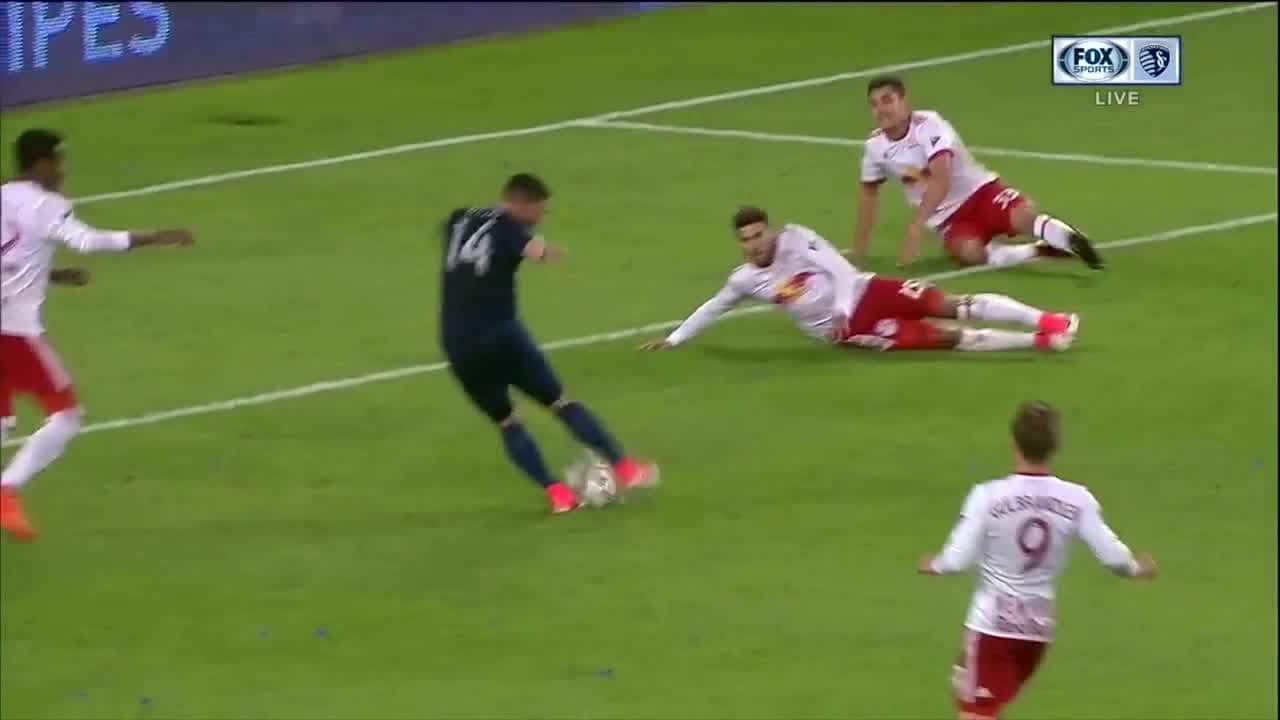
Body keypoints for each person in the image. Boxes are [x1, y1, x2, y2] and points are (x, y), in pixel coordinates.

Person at [1, 128, 195, 540]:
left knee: (2, 421)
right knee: (66, 416)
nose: (63, 170)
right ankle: (6, 491)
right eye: (59, 161)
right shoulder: (45, 204)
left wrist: (52, 275)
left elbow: (11, 260)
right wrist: (155, 237)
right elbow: (88, 241)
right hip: (15, 332)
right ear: (41, 162)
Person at [918, 401, 1158, 720]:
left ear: (1013, 442)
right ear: (1054, 445)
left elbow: (957, 560)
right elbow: (1113, 556)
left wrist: (935, 564)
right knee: (974, 697)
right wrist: (1136, 568)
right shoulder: (1077, 498)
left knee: (976, 712)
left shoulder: (987, 496)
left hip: (993, 628)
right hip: (1037, 631)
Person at [440, 173, 656, 513]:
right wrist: (548, 251)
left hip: (457, 344)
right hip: (501, 336)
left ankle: (557, 494)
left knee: (507, 421)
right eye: (540, 210)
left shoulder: (461, 217)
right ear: (522, 204)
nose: (542, 217)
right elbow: (535, 250)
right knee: (560, 402)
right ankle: (626, 468)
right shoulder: (511, 228)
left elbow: (455, 235)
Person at [642, 206, 1078, 353]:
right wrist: (675, 338)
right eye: (745, 240)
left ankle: (1049, 320)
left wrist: (840, 308)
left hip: (865, 291)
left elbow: (838, 268)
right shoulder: (744, 280)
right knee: (949, 338)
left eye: (758, 235)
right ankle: (1039, 342)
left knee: (954, 304)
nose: (754, 245)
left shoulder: (796, 238)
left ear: (769, 231)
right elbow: (714, 306)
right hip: (854, 331)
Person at [852, 75, 1103, 271]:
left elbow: (941, 179)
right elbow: (868, 195)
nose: (881, 109)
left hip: (981, 192)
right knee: (971, 254)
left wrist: (916, 226)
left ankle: (1072, 241)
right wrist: (859, 249)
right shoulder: (874, 147)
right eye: (874, 104)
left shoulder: (929, 125)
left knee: (1022, 216)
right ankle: (1037, 251)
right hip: (947, 219)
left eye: (887, 100)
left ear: (904, 101)